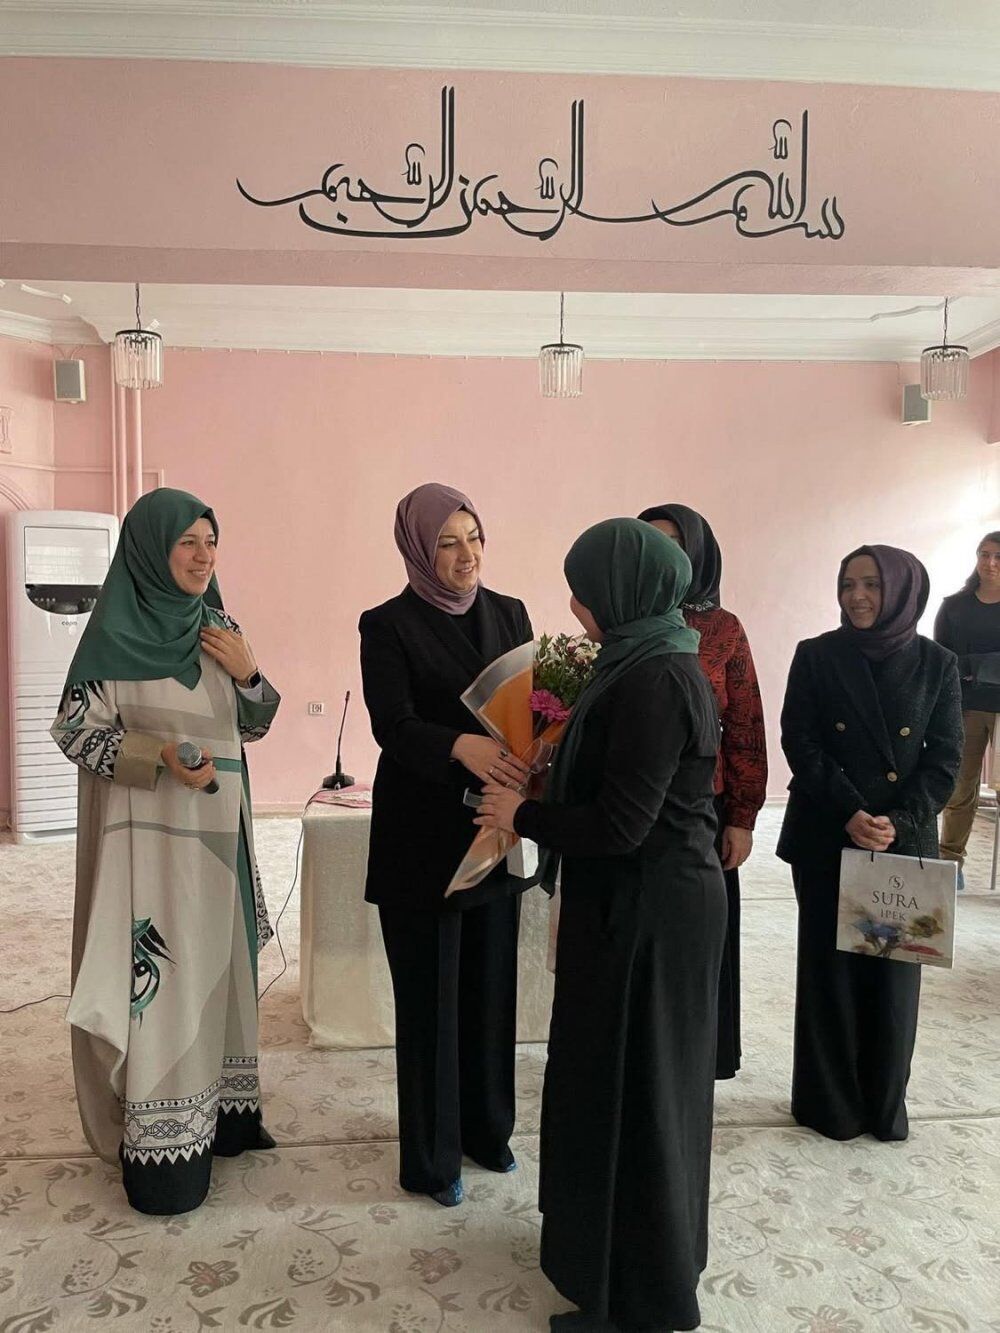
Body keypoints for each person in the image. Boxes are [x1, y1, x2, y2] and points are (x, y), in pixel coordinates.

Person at [477, 518, 726, 1333]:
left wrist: (522, 814)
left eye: (584, 592)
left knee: (639, 1092)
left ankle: (640, 1297)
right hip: (634, 903)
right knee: (615, 1084)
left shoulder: (655, 678)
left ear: (625, 591)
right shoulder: (644, 657)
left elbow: (621, 825)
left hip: (650, 914)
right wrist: (552, 776)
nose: (577, 609)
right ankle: (615, 1261)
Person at [50, 488, 280, 1215]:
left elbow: (257, 722)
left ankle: (225, 1120)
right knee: (161, 985)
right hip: (147, 855)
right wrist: (158, 756)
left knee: (220, 974)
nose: (203, 556)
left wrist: (249, 673)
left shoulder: (221, 627)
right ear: (151, 548)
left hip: (219, 845)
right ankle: (165, 1157)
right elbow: (74, 731)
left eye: (211, 541)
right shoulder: (113, 633)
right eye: (187, 542)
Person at [358, 482, 534, 1208]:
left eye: (474, 537)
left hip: (495, 826)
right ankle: (433, 1161)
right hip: (421, 838)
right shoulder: (387, 624)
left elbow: (534, 708)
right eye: (448, 543)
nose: (467, 556)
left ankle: (488, 1131)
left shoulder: (511, 613)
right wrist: (461, 745)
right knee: (432, 1001)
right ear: (417, 550)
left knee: (491, 991)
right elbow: (392, 725)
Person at [777, 544, 962, 1142]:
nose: (857, 597)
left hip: (901, 842)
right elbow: (800, 741)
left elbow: (945, 759)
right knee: (828, 973)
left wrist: (897, 821)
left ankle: (883, 1106)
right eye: (848, 584)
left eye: (872, 585)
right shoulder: (816, 655)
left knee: (894, 978)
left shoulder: (937, 663)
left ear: (904, 591)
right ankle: (828, 1105)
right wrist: (850, 812)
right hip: (827, 832)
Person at [638, 501, 766, 1078]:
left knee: (700, 939)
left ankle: (701, 1053)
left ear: (697, 554)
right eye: (649, 543)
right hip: (632, 806)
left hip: (703, 810)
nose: (661, 556)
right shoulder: (618, 617)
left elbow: (745, 725)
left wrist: (741, 815)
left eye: (673, 544)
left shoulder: (723, 629)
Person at [934, 530, 1000, 887]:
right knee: (959, 788)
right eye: (984, 554)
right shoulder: (955, 606)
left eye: (998, 556)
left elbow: (961, 663)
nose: (990, 563)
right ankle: (950, 862)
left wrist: (974, 666)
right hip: (967, 708)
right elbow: (943, 661)